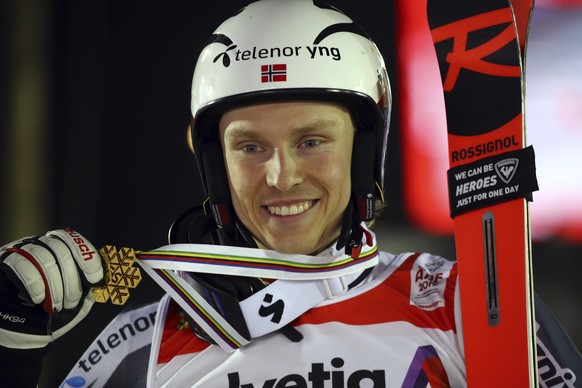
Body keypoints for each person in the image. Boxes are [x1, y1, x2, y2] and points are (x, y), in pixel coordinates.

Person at [0, 1, 580, 387]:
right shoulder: (144, 343)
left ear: (364, 150)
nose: (281, 177)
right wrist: (12, 354)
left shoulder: (460, 304)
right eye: (250, 147)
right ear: (213, 163)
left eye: (310, 142)